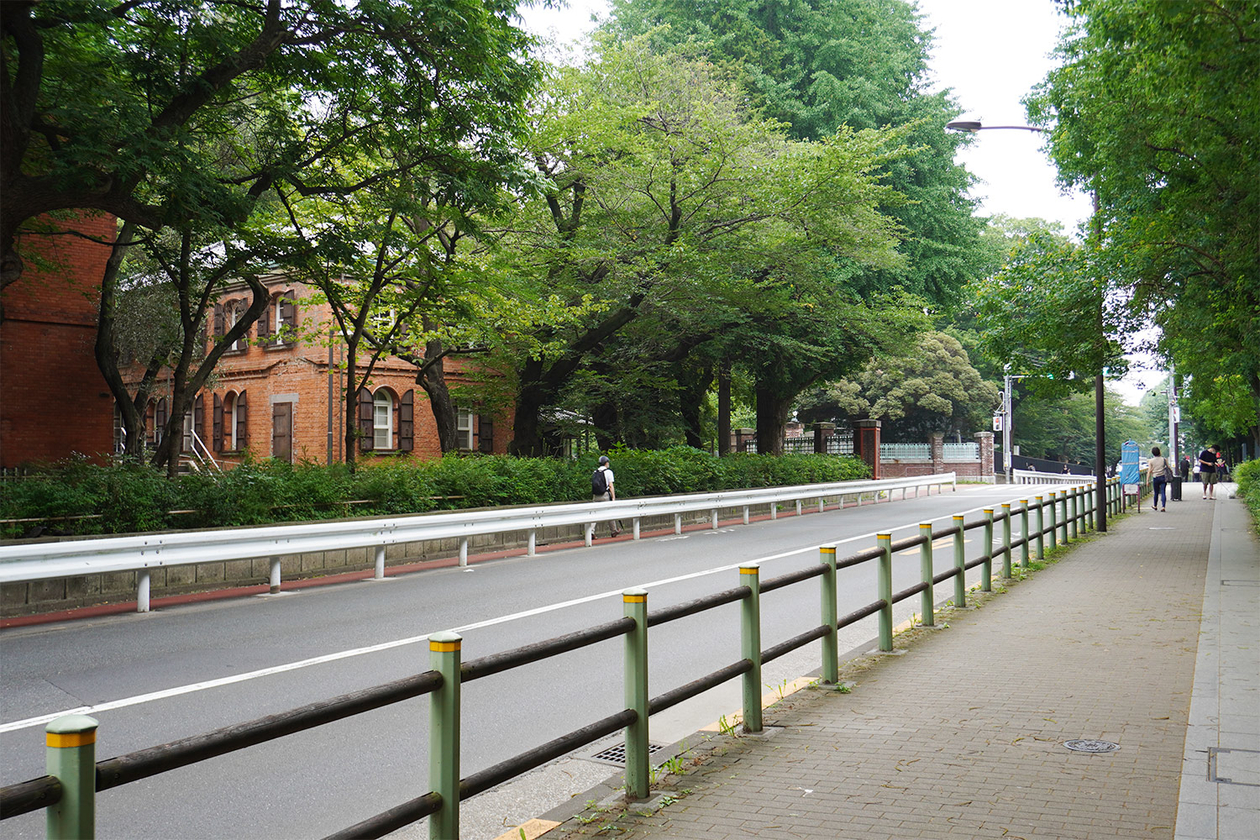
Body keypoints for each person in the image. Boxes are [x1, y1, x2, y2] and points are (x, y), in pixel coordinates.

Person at [591, 455, 621, 537]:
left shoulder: (595, 472)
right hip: (605, 495)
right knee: (609, 512)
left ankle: (591, 531)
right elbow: (610, 485)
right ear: (606, 463)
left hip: (596, 495)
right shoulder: (608, 472)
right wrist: (613, 497)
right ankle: (613, 530)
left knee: (594, 513)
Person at [1148, 446, 1170, 512]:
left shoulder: (1151, 461)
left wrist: (1147, 480)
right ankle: (1163, 506)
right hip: (1163, 477)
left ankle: (1155, 505)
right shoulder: (1164, 459)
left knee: (1156, 492)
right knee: (1163, 492)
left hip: (1155, 477)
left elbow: (1149, 471)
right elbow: (1168, 467)